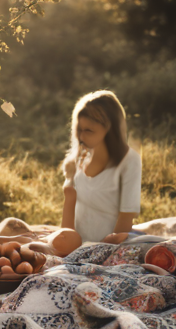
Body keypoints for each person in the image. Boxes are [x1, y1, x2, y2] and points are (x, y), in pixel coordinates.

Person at [61, 90, 142, 244]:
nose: (81, 137)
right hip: (76, 246)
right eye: (79, 130)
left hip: (111, 247)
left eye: (89, 131)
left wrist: (100, 252)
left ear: (109, 129)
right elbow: (70, 211)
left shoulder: (129, 161)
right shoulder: (80, 158)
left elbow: (126, 219)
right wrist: (65, 246)